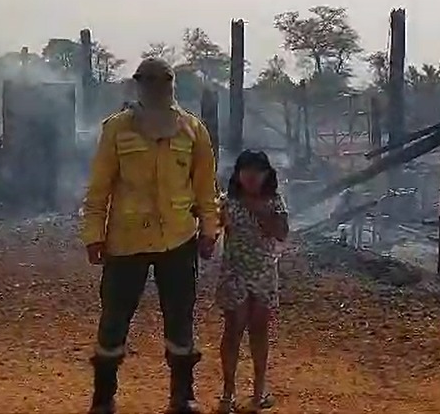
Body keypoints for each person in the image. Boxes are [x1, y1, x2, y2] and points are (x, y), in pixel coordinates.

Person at [80, 58, 221, 414]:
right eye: (151, 80)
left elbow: (206, 189)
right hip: (125, 241)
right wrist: (93, 235)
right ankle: (103, 398)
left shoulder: (193, 130)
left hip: (178, 239)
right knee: (114, 318)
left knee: (180, 317)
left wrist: (209, 230)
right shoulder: (117, 130)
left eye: (164, 80)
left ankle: (182, 397)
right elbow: (99, 189)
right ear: (139, 84)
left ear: (172, 84)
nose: (158, 86)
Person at [215, 150, 290, 413]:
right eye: (246, 171)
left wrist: (260, 211)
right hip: (235, 272)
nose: (251, 177)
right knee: (233, 331)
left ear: (267, 174)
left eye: (257, 172)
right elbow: (212, 229)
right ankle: (228, 394)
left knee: (258, 331)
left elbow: (281, 234)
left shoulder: (275, 202)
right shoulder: (227, 202)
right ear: (237, 174)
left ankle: (258, 392)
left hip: (264, 273)